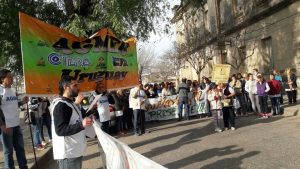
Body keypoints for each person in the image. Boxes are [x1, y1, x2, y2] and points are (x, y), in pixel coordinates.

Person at [50, 75, 93, 169]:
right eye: (75, 85)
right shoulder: (61, 105)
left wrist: (91, 111)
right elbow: (60, 130)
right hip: (68, 155)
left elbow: (78, 118)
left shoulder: (70, 103)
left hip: (74, 151)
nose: (78, 88)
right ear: (66, 87)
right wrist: (81, 124)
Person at [0, 69, 28, 169]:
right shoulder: (0, 91)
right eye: (9, 77)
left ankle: (23, 166)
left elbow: (13, 104)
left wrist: (23, 102)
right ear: (2, 79)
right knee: (8, 151)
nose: (12, 79)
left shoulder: (12, 90)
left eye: (12, 76)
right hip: (6, 127)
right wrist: (2, 125)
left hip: (16, 124)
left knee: (20, 148)